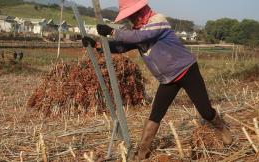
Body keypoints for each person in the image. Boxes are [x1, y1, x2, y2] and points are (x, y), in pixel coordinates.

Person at [81, 0, 233, 160]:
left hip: (187, 71)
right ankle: (142, 152)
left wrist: (113, 32)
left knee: (205, 111)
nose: (134, 20)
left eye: (135, 15)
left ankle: (221, 128)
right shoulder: (135, 31)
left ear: (143, 11)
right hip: (168, 80)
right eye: (131, 17)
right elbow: (122, 46)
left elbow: (141, 36)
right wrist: (96, 44)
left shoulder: (158, 21)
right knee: (155, 115)